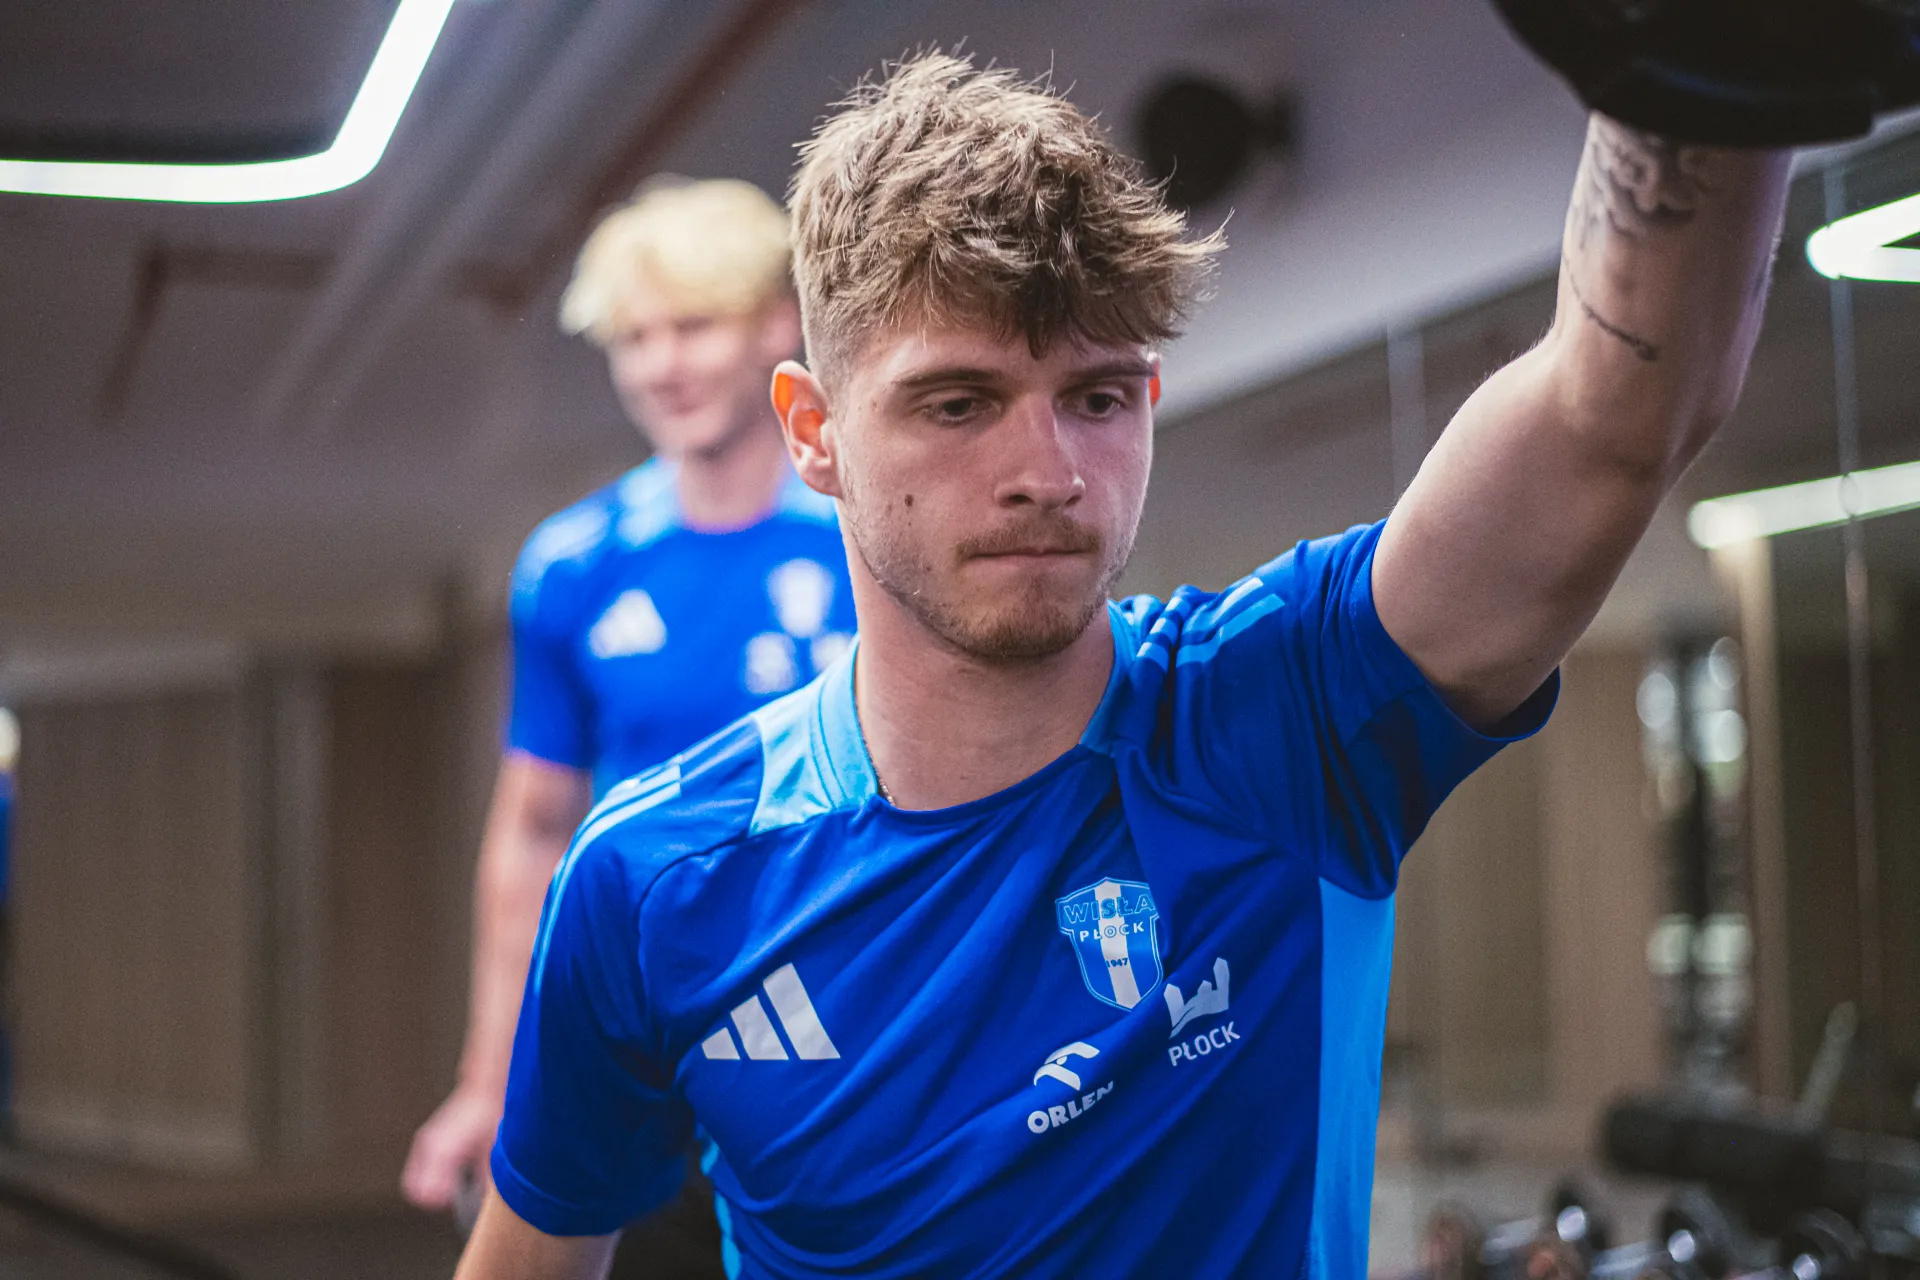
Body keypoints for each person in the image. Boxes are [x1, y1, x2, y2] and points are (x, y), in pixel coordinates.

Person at [455, 52, 1792, 1280]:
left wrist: (1700, 61)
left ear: (1147, 400)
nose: (1047, 474)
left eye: (1095, 398)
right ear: (814, 432)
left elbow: (1614, 417)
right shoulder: (652, 882)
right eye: (959, 402)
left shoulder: (1282, 714)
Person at [403, 179, 854, 1276]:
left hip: (851, 1027)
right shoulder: (573, 564)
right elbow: (532, 833)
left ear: (776, 326)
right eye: (634, 339)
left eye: (692, 327)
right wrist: (488, 1080)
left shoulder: (865, 534)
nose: (661, 366)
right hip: (648, 1031)